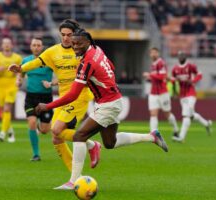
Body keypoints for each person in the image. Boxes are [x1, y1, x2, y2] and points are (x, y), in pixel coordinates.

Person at [34, 28, 169, 190]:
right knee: (110, 143)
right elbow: (111, 66)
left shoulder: (87, 63)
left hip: (108, 104)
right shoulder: (97, 50)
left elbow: (73, 95)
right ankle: (152, 137)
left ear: (88, 42)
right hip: (111, 100)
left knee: (79, 136)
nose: (75, 47)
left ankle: (73, 181)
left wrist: (47, 106)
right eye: (74, 44)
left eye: (79, 44)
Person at [8, 19, 101, 171]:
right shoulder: (53, 51)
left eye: (69, 35)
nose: (65, 38)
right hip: (63, 97)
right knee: (56, 136)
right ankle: (75, 176)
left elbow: (97, 65)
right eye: (63, 34)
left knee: (57, 129)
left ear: (75, 35)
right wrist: (20, 68)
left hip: (79, 96)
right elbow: (37, 62)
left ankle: (91, 145)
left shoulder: (82, 50)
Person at [16, 38, 54, 161]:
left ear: (42, 47)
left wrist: (51, 83)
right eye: (34, 45)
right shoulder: (26, 61)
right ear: (31, 47)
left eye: (38, 45)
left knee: (44, 130)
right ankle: (36, 154)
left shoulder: (49, 61)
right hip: (31, 97)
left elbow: (62, 76)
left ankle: (39, 127)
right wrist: (19, 80)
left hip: (46, 98)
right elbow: (20, 73)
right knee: (31, 122)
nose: (36, 47)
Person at [171, 51, 212, 142]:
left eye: (183, 55)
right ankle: (207, 124)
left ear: (185, 56)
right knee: (191, 115)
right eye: (179, 55)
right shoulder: (175, 69)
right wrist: (174, 92)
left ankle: (181, 137)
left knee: (186, 115)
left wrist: (193, 81)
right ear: (177, 57)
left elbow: (199, 74)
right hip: (182, 95)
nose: (181, 57)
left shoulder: (190, 66)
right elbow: (173, 81)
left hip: (191, 94)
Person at [0, 37, 22, 143]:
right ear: (2, 45)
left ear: (11, 45)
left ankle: (2, 132)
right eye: (4, 43)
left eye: (8, 43)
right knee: (3, 110)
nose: (7, 45)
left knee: (7, 108)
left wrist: (18, 80)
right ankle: (10, 130)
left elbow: (21, 70)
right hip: (0, 84)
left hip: (12, 84)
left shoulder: (17, 57)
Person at [142, 47, 179, 137]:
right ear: (150, 54)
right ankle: (153, 135)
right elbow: (156, 77)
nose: (153, 54)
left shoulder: (161, 63)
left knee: (167, 113)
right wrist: (150, 77)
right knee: (153, 114)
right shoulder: (153, 64)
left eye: (155, 52)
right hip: (153, 93)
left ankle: (175, 129)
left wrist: (149, 75)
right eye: (152, 53)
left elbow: (162, 76)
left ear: (158, 54)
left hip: (163, 93)